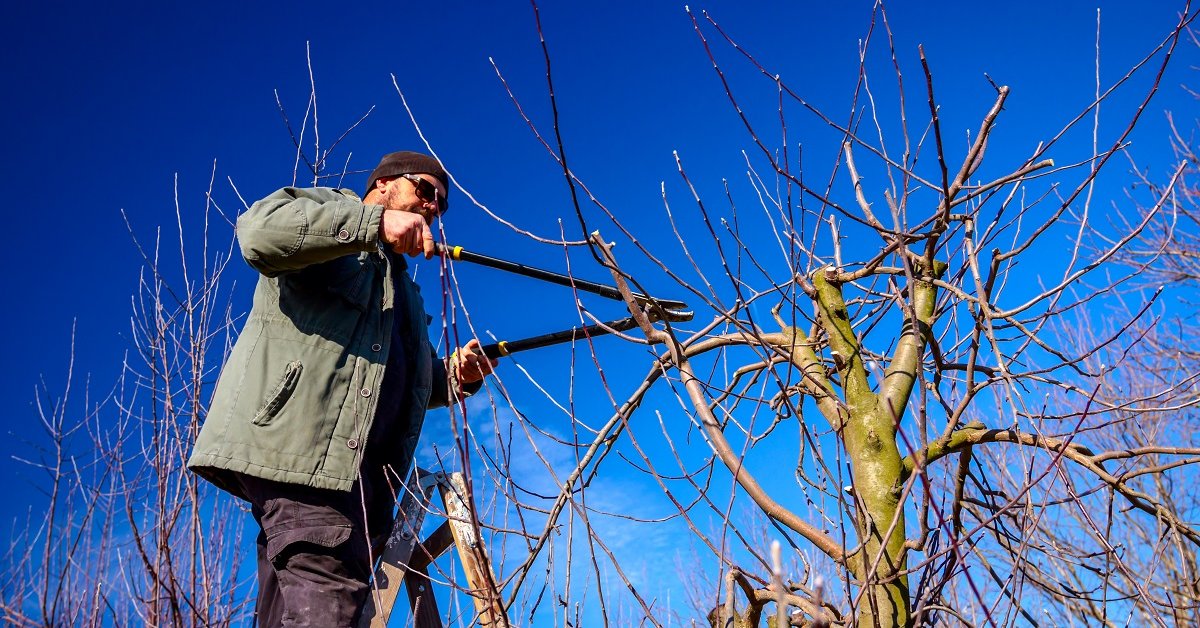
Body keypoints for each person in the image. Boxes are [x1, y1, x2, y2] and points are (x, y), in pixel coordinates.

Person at [188, 151, 497, 626]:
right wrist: (371, 224)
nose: (434, 208)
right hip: (309, 463)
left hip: (360, 491)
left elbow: (410, 381)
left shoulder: (406, 295)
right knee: (330, 602)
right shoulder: (335, 217)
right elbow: (258, 234)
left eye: (441, 206)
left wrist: (457, 376)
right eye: (428, 192)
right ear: (386, 185)